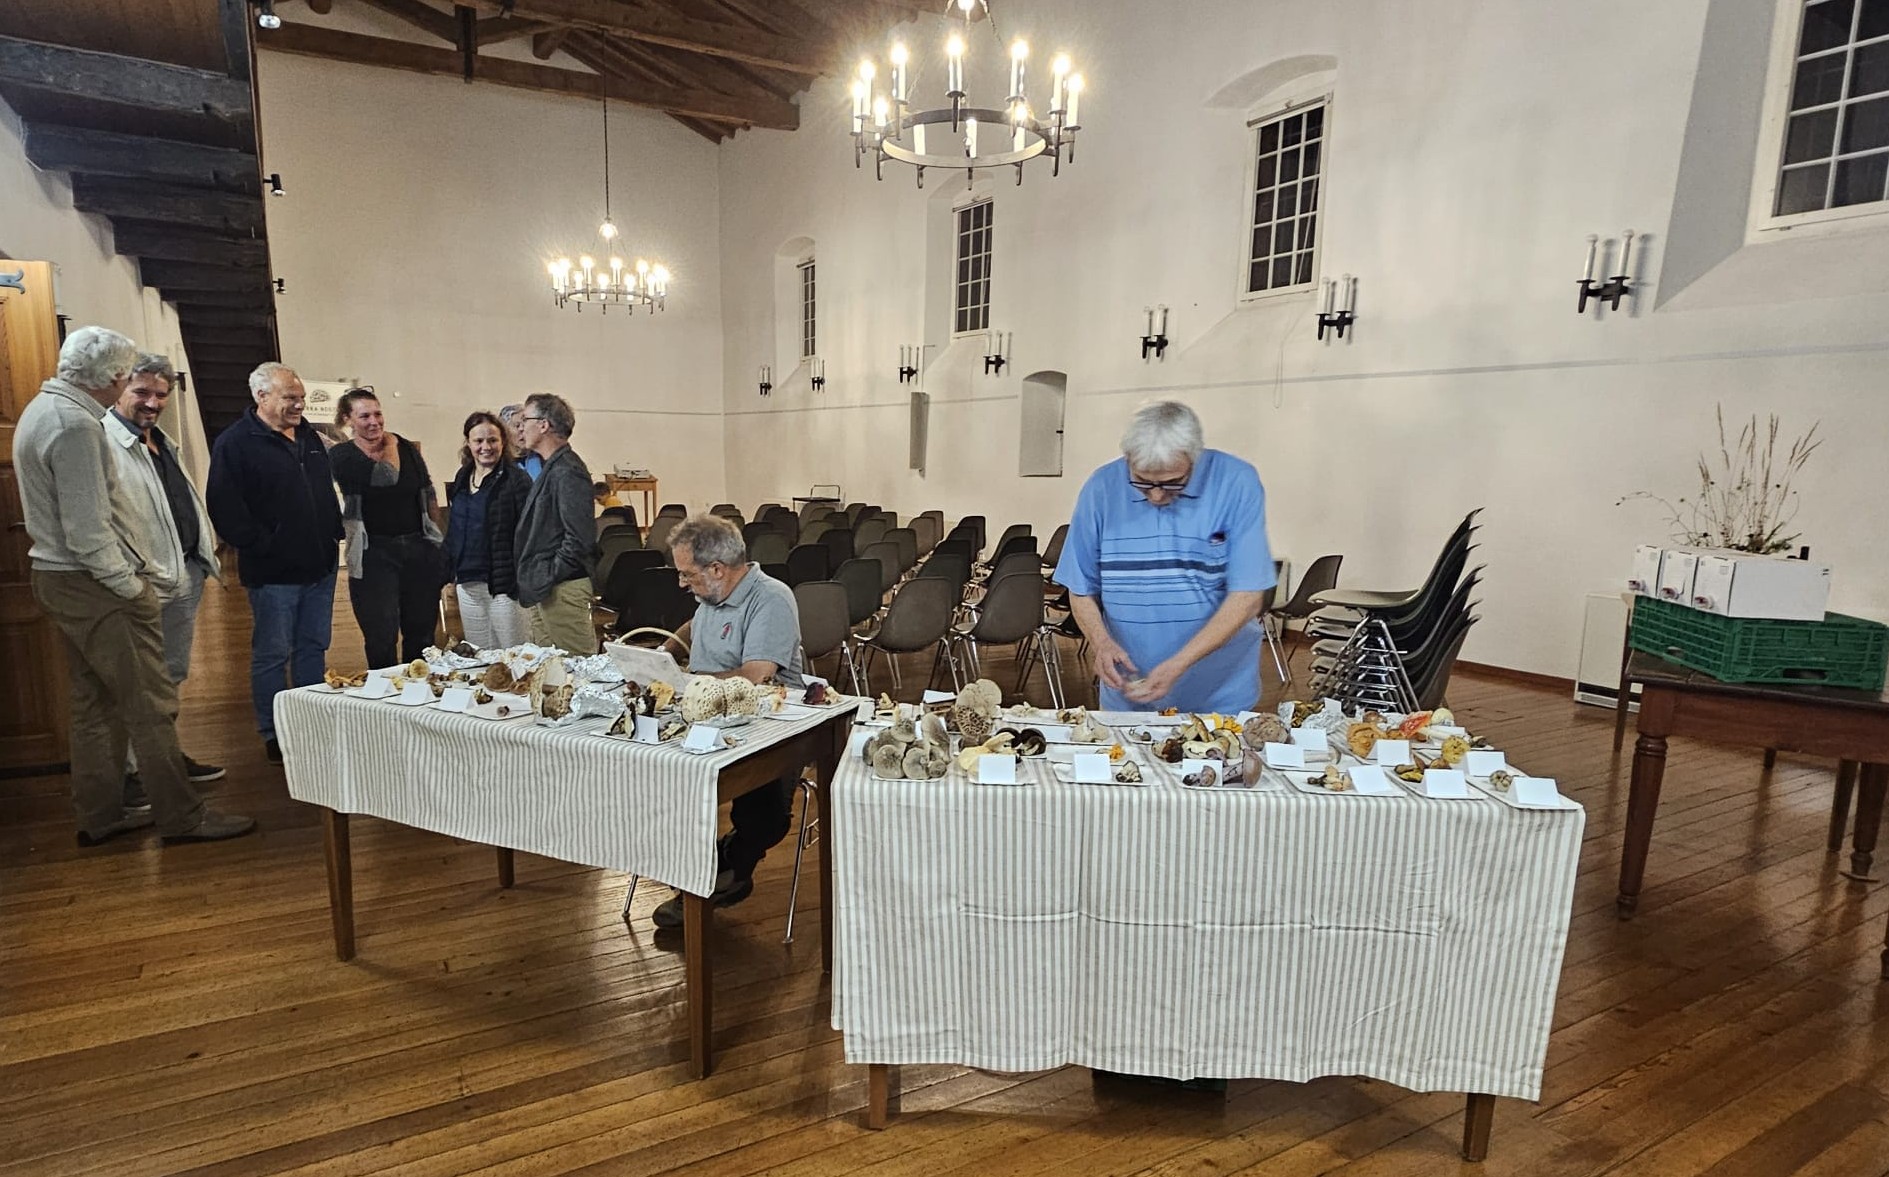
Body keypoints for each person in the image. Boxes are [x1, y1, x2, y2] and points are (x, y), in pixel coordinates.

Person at [18, 325, 253, 845]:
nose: (130, 384)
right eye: (127, 376)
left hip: (61, 578)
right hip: (93, 585)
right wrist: (129, 586)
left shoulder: (43, 409)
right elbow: (88, 532)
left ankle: (101, 815)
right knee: (150, 705)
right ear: (111, 377)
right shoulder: (76, 426)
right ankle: (183, 816)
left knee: (94, 703)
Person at [1054, 400, 1277, 714]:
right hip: (1126, 695)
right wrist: (1101, 642)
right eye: (1143, 482)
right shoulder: (1100, 488)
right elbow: (1080, 588)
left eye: (1172, 483)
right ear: (1128, 459)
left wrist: (1179, 663)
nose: (1157, 495)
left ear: (1194, 458)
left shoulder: (1236, 482)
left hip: (1219, 695)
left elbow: (1248, 597)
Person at [650, 514, 806, 930]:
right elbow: (695, 624)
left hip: (769, 722)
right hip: (706, 711)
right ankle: (691, 863)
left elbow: (756, 676)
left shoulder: (770, 599)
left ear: (718, 569)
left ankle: (725, 868)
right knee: (654, 775)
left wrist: (685, 682)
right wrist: (665, 653)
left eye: (687, 574)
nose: (682, 583)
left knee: (762, 812)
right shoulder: (715, 593)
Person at [207, 362, 345, 764]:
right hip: (273, 573)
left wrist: (332, 533)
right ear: (261, 396)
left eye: (301, 397)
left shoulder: (310, 437)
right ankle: (274, 732)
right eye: (290, 397)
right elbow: (224, 507)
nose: (300, 405)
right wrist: (262, 544)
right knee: (272, 653)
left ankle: (310, 721)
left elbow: (322, 490)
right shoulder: (235, 443)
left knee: (313, 647)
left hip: (320, 565)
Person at [101, 352, 225, 785]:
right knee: (135, 679)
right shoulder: (103, 442)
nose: (152, 402)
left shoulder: (162, 441)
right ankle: (132, 771)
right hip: (141, 583)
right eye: (142, 392)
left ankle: (163, 755)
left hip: (184, 575)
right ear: (120, 388)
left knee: (171, 674)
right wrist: (129, 576)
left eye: (161, 394)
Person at [328, 388, 446, 668]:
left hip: (417, 547)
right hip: (373, 552)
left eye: (378, 414)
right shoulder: (342, 455)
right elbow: (385, 476)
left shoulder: (407, 448)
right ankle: (385, 691)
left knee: (421, 632)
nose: (374, 422)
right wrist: (391, 443)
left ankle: (419, 686)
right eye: (364, 416)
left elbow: (427, 490)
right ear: (348, 419)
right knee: (381, 635)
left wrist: (439, 541)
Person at [512, 393, 597, 654]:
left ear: (544, 425)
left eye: (525, 420)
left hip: (562, 587)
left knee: (577, 667)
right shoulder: (553, 467)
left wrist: (550, 574)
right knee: (550, 668)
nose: (520, 428)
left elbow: (579, 538)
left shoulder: (568, 470)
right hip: (549, 585)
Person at [446, 410, 532, 649]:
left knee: (514, 656)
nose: (486, 447)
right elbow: (455, 528)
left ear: (503, 442)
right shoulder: (462, 477)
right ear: (468, 443)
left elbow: (528, 532)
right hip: (467, 582)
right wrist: (449, 571)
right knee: (480, 656)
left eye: (492, 440)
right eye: (479, 441)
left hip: (504, 585)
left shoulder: (517, 480)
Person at [499, 403, 544, 480]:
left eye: (525, 424)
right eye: (517, 426)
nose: (522, 429)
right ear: (504, 431)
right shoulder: (501, 463)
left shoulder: (541, 457)